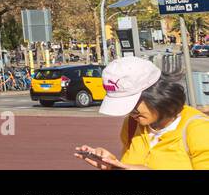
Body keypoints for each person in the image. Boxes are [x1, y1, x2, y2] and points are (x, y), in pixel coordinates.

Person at [74, 57, 209, 170]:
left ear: (157, 94)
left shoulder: (198, 129)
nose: (131, 113)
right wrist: (114, 165)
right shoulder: (132, 124)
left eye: (133, 105)